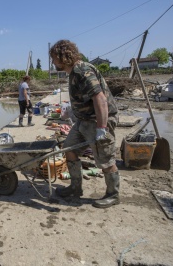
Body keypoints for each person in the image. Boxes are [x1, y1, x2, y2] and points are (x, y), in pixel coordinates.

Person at [49, 40, 120, 208]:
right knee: (69, 149)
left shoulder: (82, 71)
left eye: (54, 58)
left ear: (63, 56)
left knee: (105, 159)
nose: (52, 62)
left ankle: (113, 194)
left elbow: (100, 98)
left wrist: (102, 128)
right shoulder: (74, 72)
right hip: (83, 121)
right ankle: (75, 187)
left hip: (97, 121)